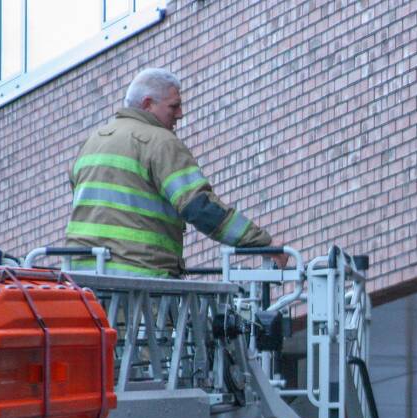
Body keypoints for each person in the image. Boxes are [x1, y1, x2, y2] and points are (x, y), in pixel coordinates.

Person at [65, 68, 284, 277]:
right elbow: (199, 207)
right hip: (141, 282)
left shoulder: (91, 143)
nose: (180, 114)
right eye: (174, 106)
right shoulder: (160, 142)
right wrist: (261, 243)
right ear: (148, 104)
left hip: (84, 287)